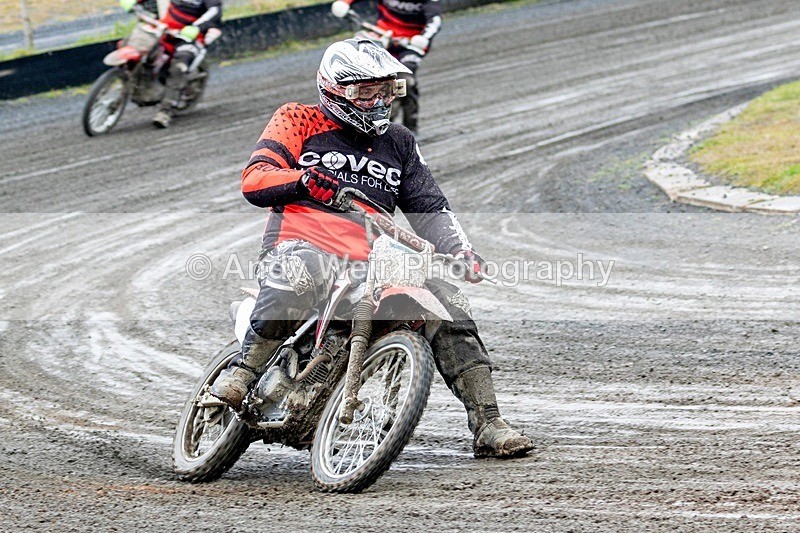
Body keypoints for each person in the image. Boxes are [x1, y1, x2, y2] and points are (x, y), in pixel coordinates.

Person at [210, 39, 533, 459]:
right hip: (298, 244)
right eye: (365, 91)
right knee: (302, 266)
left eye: (386, 90)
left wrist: (460, 251)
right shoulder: (298, 118)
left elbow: (429, 206)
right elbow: (255, 178)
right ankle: (245, 369)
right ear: (334, 89)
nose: (378, 100)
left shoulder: (398, 142)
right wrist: (302, 181)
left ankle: (489, 422)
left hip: (369, 261)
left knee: (445, 297)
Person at [329, 0, 441, 134]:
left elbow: (435, 20)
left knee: (406, 82)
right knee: (362, 78)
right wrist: (345, 3)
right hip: (381, 38)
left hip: (411, 45)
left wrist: (424, 38)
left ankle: (409, 130)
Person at [119, 0, 222, 128]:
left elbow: (214, 11)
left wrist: (196, 27)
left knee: (179, 67)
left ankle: (165, 111)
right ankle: (124, 80)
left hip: (190, 38)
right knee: (130, 43)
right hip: (165, 29)